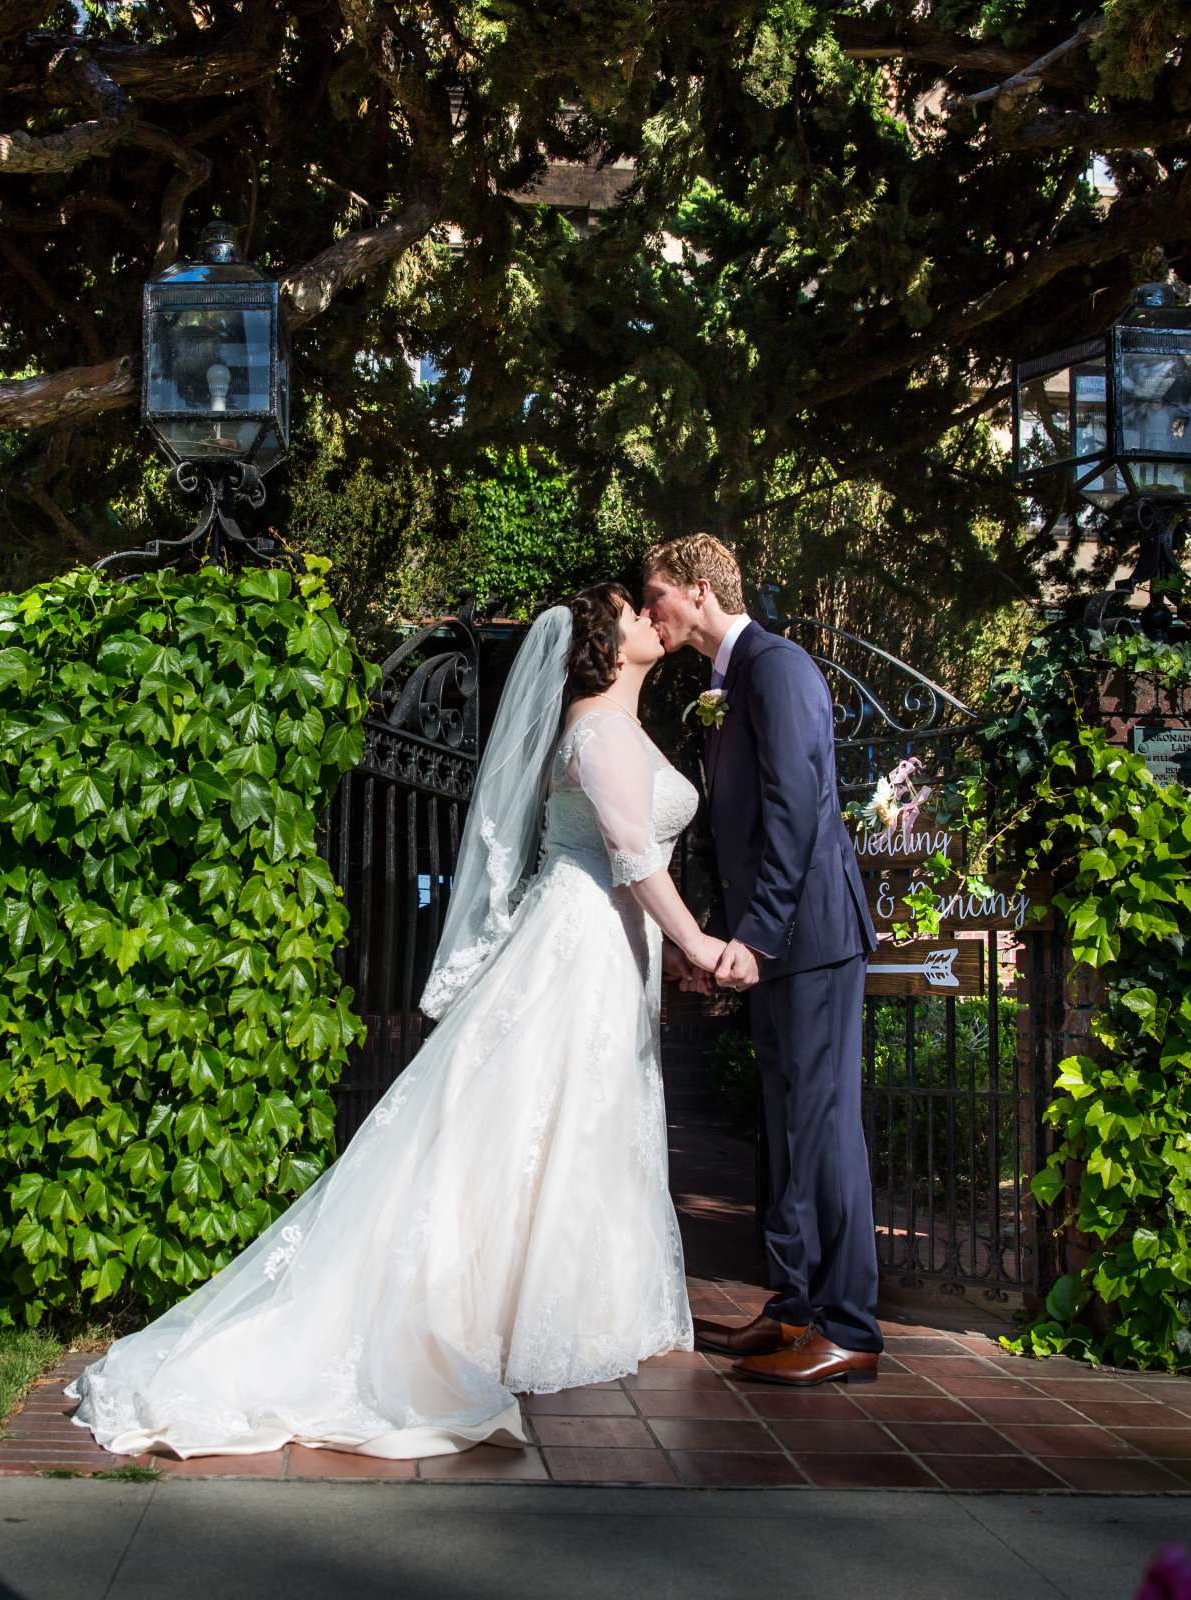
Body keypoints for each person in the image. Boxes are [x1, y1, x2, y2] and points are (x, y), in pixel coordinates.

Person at [66, 583, 718, 1458]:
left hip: (614, 948)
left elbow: (640, 857)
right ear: (605, 641)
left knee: (584, 1121)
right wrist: (702, 944)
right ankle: (503, 1314)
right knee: (534, 1120)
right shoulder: (594, 730)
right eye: (631, 610)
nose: (647, 614)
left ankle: (587, 1303)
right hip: (576, 945)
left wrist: (670, 946)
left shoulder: (628, 729)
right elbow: (633, 853)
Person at [642, 534, 884, 1386]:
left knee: (822, 1129)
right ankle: (791, 1309)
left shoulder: (777, 668)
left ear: (701, 591)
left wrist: (762, 934)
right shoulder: (724, 683)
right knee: (782, 1132)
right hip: (776, 939)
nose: (651, 611)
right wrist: (718, 933)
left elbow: (795, 810)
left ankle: (849, 1325)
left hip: (811, 939)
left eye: (658, 594)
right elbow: (732, 831)